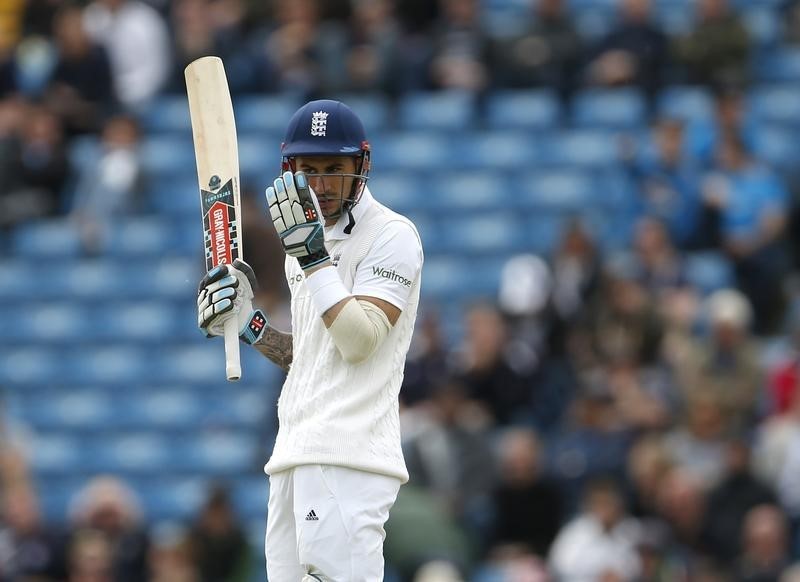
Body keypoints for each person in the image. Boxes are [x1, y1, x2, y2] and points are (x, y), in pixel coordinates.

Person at [196, 99, 424, 581]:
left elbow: (359, 342)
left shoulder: (393, 237)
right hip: (293, 453)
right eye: (308, 169)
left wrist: (313, 259)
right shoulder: (303, 244)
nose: (319, 185)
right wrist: (248, 324)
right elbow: (313, 357)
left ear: (360, 166)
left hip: (348, 456)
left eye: (332, 169)